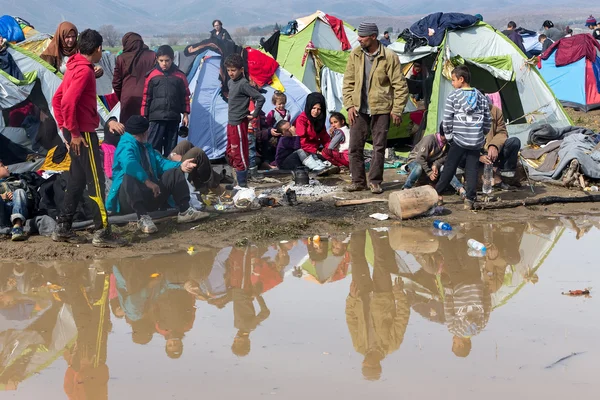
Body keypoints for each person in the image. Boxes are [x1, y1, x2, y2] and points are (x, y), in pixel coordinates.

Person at [51, 29, 125, 247]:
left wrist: (65, 128)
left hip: (75, 132)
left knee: (76, 180)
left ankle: (63, 227)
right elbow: (65, 103)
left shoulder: (74, 66)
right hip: (82, 134)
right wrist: (73, 133)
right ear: (99, 49)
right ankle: (102, 232)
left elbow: (57, 100)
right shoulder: (83, 71)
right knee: (96, 181)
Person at [106, 116, 210, 234]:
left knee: (174, 173)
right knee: (128, 176)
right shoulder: (125, 146)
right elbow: (130, 165)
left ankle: (185, 210)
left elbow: (160, 163)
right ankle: (142, 218)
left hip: (151, 195)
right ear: (144, 132)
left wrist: (181, 166)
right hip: (129, 200)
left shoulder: (145, 146)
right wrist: (148, 182)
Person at [342, 22, 409, 194]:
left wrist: (397, 109)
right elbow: (348, 82)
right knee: (355, 146)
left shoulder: (389, 56)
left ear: (373, 37)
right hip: (358, 108)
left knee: (379, 147)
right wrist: (349, 105)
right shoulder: (355, 54)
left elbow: (400, 86)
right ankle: (358, 181)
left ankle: (375, 181)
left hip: (381, 108)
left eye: (362, 36)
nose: (359, 39)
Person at [435, 65, 491, 209]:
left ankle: (437, 193)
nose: (452, 83)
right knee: (471, 169)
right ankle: (470, 199)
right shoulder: (481, 97)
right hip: (475, 140)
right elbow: (487, 119)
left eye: (453, 80)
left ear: (461, 79)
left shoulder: (453, 97)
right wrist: (481, 134)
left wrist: (448, 135)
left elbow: (447, 118)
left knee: (450, 167)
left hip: (458, 139)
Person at [224, 54, 266, 187]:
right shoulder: (230, 82)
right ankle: (237, 180)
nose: (231, 73)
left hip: (239, 123)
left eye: (233, 70)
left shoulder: (243, 84)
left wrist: (254, 114)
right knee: (230, 151)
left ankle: (242, 184)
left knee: (239, 152)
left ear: (241, 70)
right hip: (230, 122)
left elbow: (260, 98)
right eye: (229, 70)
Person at [141, 45, 190, 157]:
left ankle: (169, 173)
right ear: (157, 59)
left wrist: (186, 114)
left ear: (172, 59)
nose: (164, 63)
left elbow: (185, 96)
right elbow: (146, 96)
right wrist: (144, 115)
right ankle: (154, 172)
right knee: (153, 147)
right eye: (161, 60)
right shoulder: (151, 76)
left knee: (171, 149)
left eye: (167, 60)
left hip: (173, 118)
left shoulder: (180, 76)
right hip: (155, 118)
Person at [402, 124, 466, 197]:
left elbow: (445, 157)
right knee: (418, 168)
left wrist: (436, 164)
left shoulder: (447, 145)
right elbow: (420, 158)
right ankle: (406, 188)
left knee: (446, 169)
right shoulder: (430, 140)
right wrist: (429, 172)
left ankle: (460, 189)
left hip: (430, 163)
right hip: (416, 160)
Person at [112, 32, 156, 126]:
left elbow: (116, 82)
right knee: (145, 128)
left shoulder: (121, 58)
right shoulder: (152, 56)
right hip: (147, 97)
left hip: (128, 99)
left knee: (128, 128)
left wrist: (122, 97)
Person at [0, 161, 30, 241]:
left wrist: (16, 197)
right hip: (3, 215)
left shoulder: (18, 181)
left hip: (19, 212)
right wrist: (2, 196)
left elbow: (30, 198)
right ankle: (2, 229)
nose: (7, 167)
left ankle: (17, 227)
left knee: (19, 191)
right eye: (2, 166)